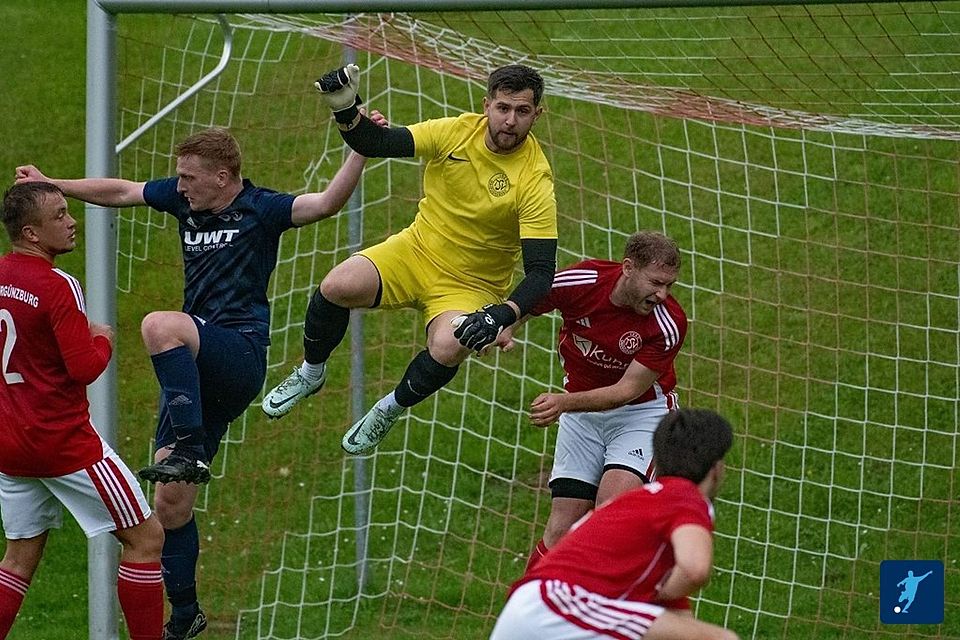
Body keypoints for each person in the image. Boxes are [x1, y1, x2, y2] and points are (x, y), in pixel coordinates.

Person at [15, 125, 374, 639]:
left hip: (238, 353)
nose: (179, 186)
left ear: (222, 177)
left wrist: (359, 151)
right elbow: (122, 191)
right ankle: (185, 615)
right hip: (191, 366)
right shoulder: (185, 202)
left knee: (159, 324)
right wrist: (56, 184)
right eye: (179, 178)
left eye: (189, 177)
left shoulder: (262, 208)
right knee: (169, 504)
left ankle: (189, 446)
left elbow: (324, 204)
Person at [261, 63, 558, 456]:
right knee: (336, 286)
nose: (510, 121)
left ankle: (389, 409)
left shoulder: (535, 180)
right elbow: (374, 142)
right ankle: (311, 373)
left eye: (522, 112)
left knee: (450, 345)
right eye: (503, 108)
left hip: (471, 285)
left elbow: (541, 272)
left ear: (537, 114)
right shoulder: (455, 132)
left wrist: (500, 315)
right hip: (415, 251)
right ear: (486, 105)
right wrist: (344, 105)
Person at [0, 182, 164, 640]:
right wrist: (104, 337)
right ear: (32, 233)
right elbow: (85, 368)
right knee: (146, 538)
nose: (72, 222)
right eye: (59, 216)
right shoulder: (57, 285)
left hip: (9, 446)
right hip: (63, 444)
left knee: (17, 559)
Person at [516, 231, 688, 572]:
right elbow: (531, 297)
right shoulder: (584, 281)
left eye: (669, 284)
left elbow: (625, 392)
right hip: (583, 417)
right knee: (560, 529)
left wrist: (563, 403)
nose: (662, 294)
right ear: (627, 268)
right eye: (655, 282)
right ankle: (523, 612)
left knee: (611, 511)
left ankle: (604, 609)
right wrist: (507, 326)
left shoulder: (669, 324)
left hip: (640, 416)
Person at [489, 408, 738, 640]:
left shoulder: (634, 507)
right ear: (716, 469)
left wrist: (657, 593)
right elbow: (695, 570)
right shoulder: (683, 495)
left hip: (534, 607)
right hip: (557, 607)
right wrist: (659, 591)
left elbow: (680, 621)